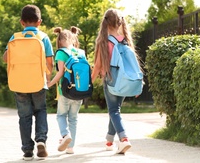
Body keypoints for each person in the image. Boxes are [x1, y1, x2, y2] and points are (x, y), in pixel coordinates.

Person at [2, 4, 54, 161]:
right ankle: (40, 140)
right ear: (40, 22)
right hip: (38, 81)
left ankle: (27, 150)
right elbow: (50, 62)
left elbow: (6, 58)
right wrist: (48, 77)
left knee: (24, 116)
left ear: (21, 22)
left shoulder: (14, 38)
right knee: (40, 110)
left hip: (19, 82)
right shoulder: (43, 37)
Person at [91, 8, 141, 154]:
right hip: (125, 80)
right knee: (115, 111)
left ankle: (124, 139)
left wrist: (90, 83)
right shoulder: (125, 41)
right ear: (121, 23)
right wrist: (138, 83)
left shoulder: (104, 42)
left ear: (105, 23)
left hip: (111, 79)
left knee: (113, 111)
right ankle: (109, 141)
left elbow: (98, 66)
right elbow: (133, 65)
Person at [47, 26, 84, 154]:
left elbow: (60, 73)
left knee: (61, 115)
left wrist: (50, 83)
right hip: (80, 91)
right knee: (73, 119)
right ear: (74, 39)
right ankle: (70, 147)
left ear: (59, 41)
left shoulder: (61, 53)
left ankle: (65, 135)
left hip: (66, 91)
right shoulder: (80, 52)